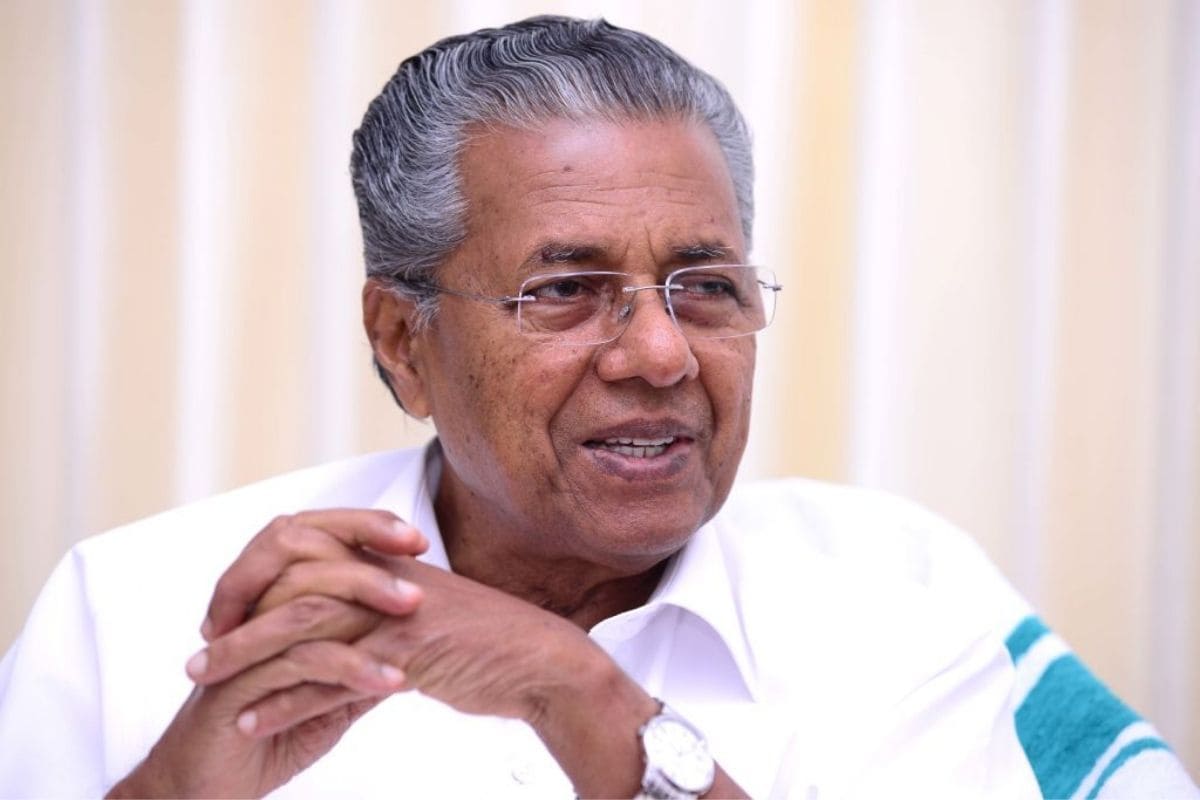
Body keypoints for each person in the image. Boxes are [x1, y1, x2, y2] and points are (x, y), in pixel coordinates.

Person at [0, 15, 1195, 799]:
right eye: (566, 291)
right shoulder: (141, 610)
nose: (662, 354)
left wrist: (583, 698)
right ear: (402, 341)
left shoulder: (893, 595)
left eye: (706, 286)